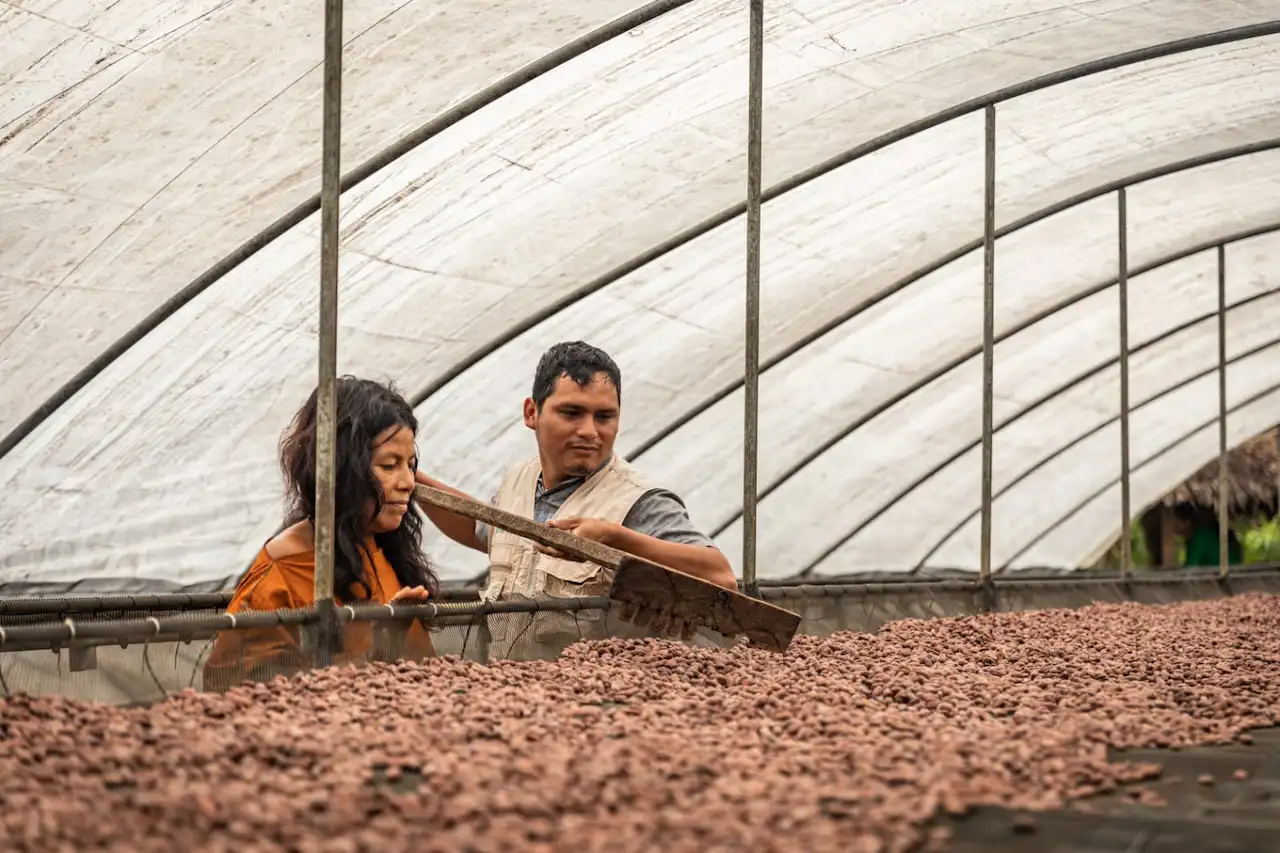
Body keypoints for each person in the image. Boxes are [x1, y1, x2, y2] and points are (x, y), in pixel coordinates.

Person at [415, 341, 737, 606]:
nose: (589, 431)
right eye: (571, 413)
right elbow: (477, 528)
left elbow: (721, 578)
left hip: (590, 669)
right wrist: (410, 478)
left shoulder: (635, 500)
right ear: (532, 413)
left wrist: (614, 538)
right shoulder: (519, 480)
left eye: (604, 417)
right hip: (507, 666)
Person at [204, 378, 437, 689]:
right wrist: (373, 650)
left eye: (410, 465)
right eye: (389, 466)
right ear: (342, 470)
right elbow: (234, 688)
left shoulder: (389, 552)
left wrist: (390, 642)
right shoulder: (285, 568)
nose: (408, 482)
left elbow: (419, 677)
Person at [1175, 502, 1243, 568]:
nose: (1172, 525)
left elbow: (1190, 567)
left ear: (1187, 522)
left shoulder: (1201, 536)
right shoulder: (1196, 537)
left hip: (1226, 572)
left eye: (1175, 521)